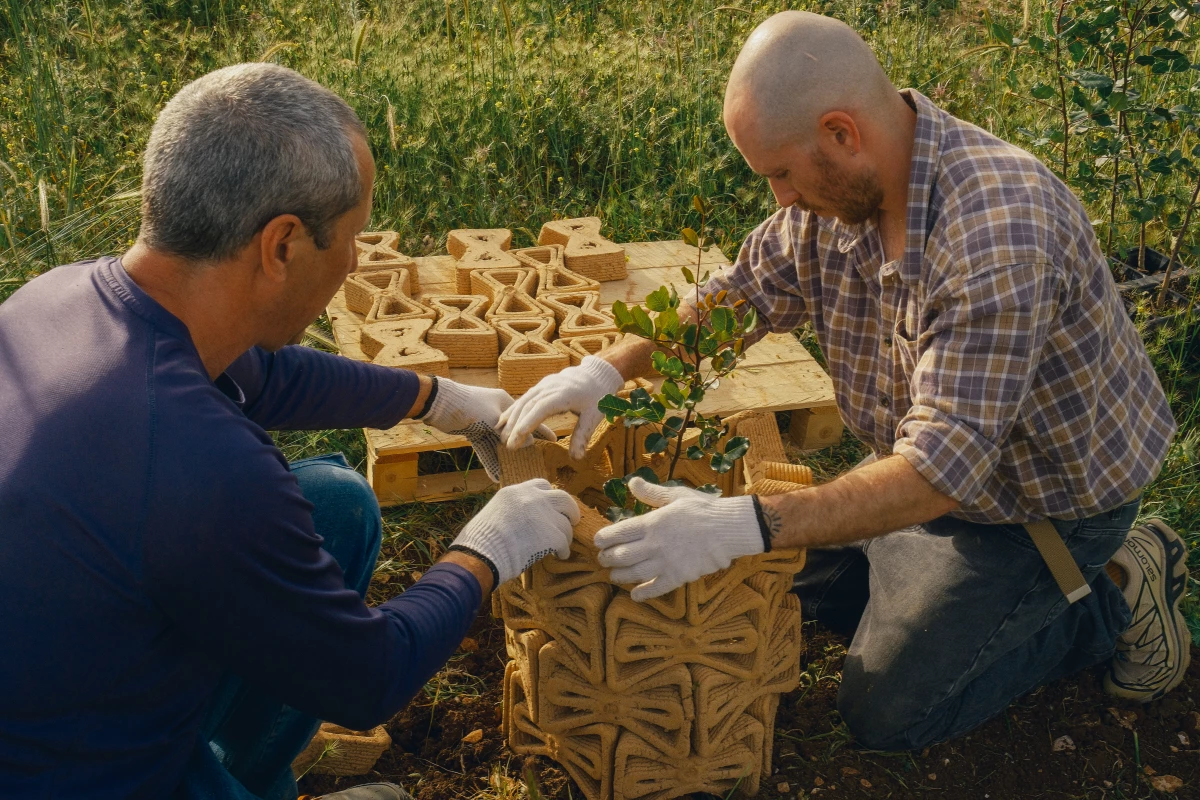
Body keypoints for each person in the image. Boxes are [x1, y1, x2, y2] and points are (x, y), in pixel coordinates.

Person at [498, 11, 1187, 751]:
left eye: (780, 173)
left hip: (1034, 509)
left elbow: (938, 474)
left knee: (888, 712)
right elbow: (742, 294)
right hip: (927, 471)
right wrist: (607, 370)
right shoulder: (844, 193)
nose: (780, 199)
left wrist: (743, 522)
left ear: (841, 133)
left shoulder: (996, 240)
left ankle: (1111, 593)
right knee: (766, 584)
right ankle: (920, 582)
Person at [0, 63, 579, 800]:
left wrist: (441, 399)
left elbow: (268, 376)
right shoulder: (206, 469)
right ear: (282, 245)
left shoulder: (57, 298)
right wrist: (489, 548)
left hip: (64, 684)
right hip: (78, 777)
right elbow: (367, 679)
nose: (357, 262)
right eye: (353, 237)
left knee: (335, 504)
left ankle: (239, 777)